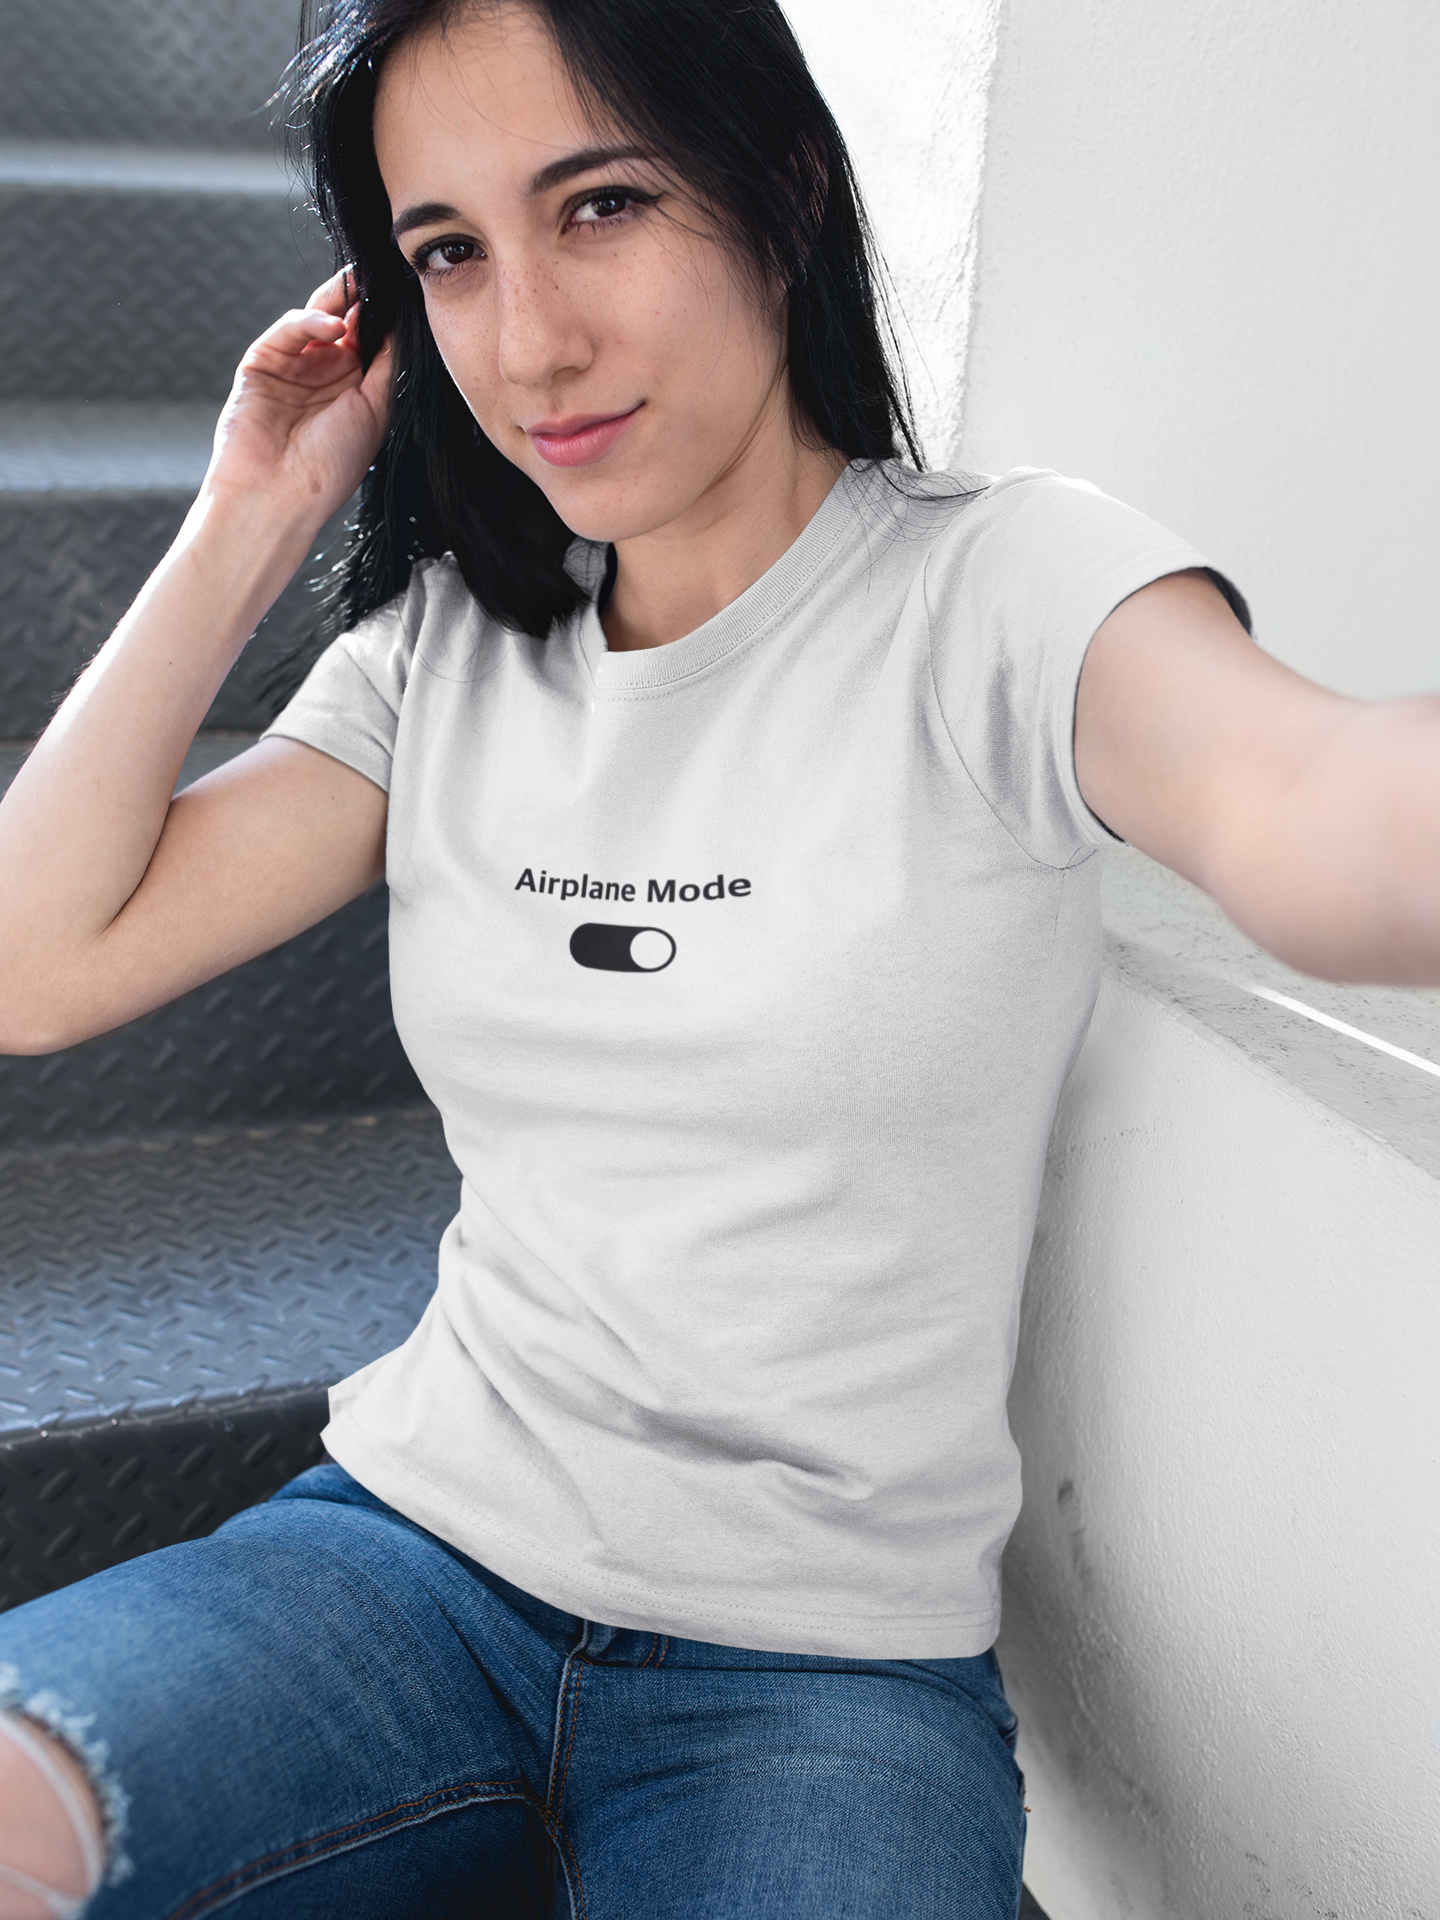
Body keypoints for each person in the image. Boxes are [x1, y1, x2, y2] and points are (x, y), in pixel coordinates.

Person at [0, 0, 1437, 1913]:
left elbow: (1314, 807)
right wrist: (255, 509)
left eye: (599, 207)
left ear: (784, 189)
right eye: (450, 253)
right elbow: (36, 968)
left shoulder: (1000, 588)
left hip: (822, 1668)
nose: (531, 343)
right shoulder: (443, 662)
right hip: (408, 1555)